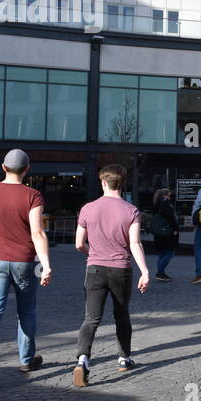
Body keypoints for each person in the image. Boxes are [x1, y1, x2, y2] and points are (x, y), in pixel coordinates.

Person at [0, 150, 52, 392]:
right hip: (25, 261)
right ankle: (27, 360)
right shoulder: (33, 195)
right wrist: (46, 265)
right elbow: (37, 232)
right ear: (27, 169)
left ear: (3, 167)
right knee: (26, 310)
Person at [73, 164, 150, 387]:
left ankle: (82, 360)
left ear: (103, 182)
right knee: (121, 316)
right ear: (122, 183)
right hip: (121, 269)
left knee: (91, 318)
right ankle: (124, 358)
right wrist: (144, 271)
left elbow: (79, 243)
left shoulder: (88, 208)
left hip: (95, 268)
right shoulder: (131, 210)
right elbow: (135, 243)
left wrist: (93, 254)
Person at [151, 188, 179, 282]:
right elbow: (171, 218)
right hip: (166, 232)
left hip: (158, 232)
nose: (170, 197)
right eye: (169, 195)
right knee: (169, 253)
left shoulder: (156, 204)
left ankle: (161, 272)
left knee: (161, 253)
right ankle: (160, 272)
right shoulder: (166, 205)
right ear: (165, 196)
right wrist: (175, 229)